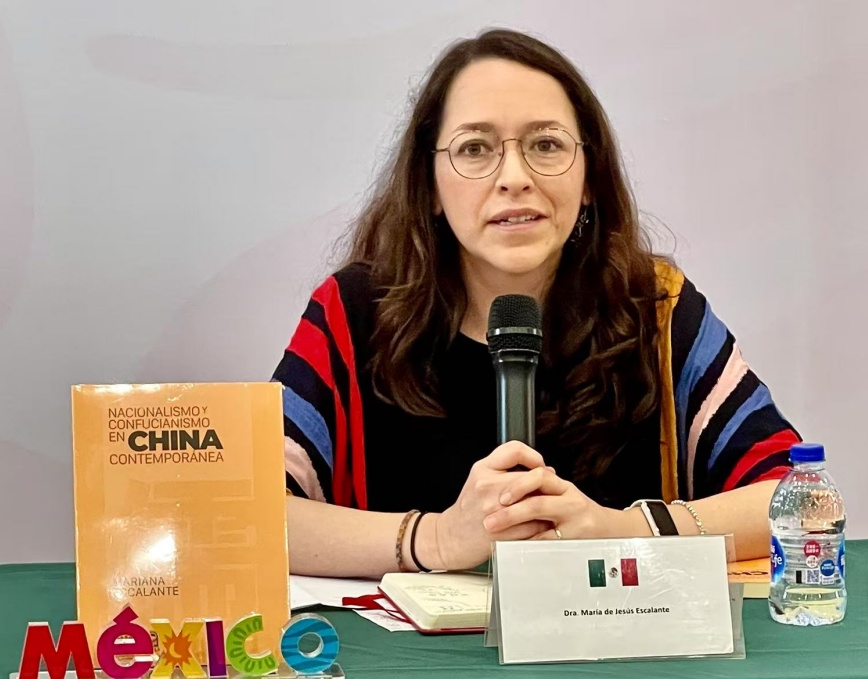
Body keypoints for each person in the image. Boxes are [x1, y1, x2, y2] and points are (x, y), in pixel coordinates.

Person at [272, 29, 800, 578]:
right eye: (475, 148)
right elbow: (246, 514)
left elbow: (795, 495)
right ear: (428, 185)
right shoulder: (355, 312)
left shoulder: (655, 309)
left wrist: (623, 532)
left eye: (545, 145)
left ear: (590, 176)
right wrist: (436, 539)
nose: (515, 179)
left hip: (616, 659)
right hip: (414, 662)